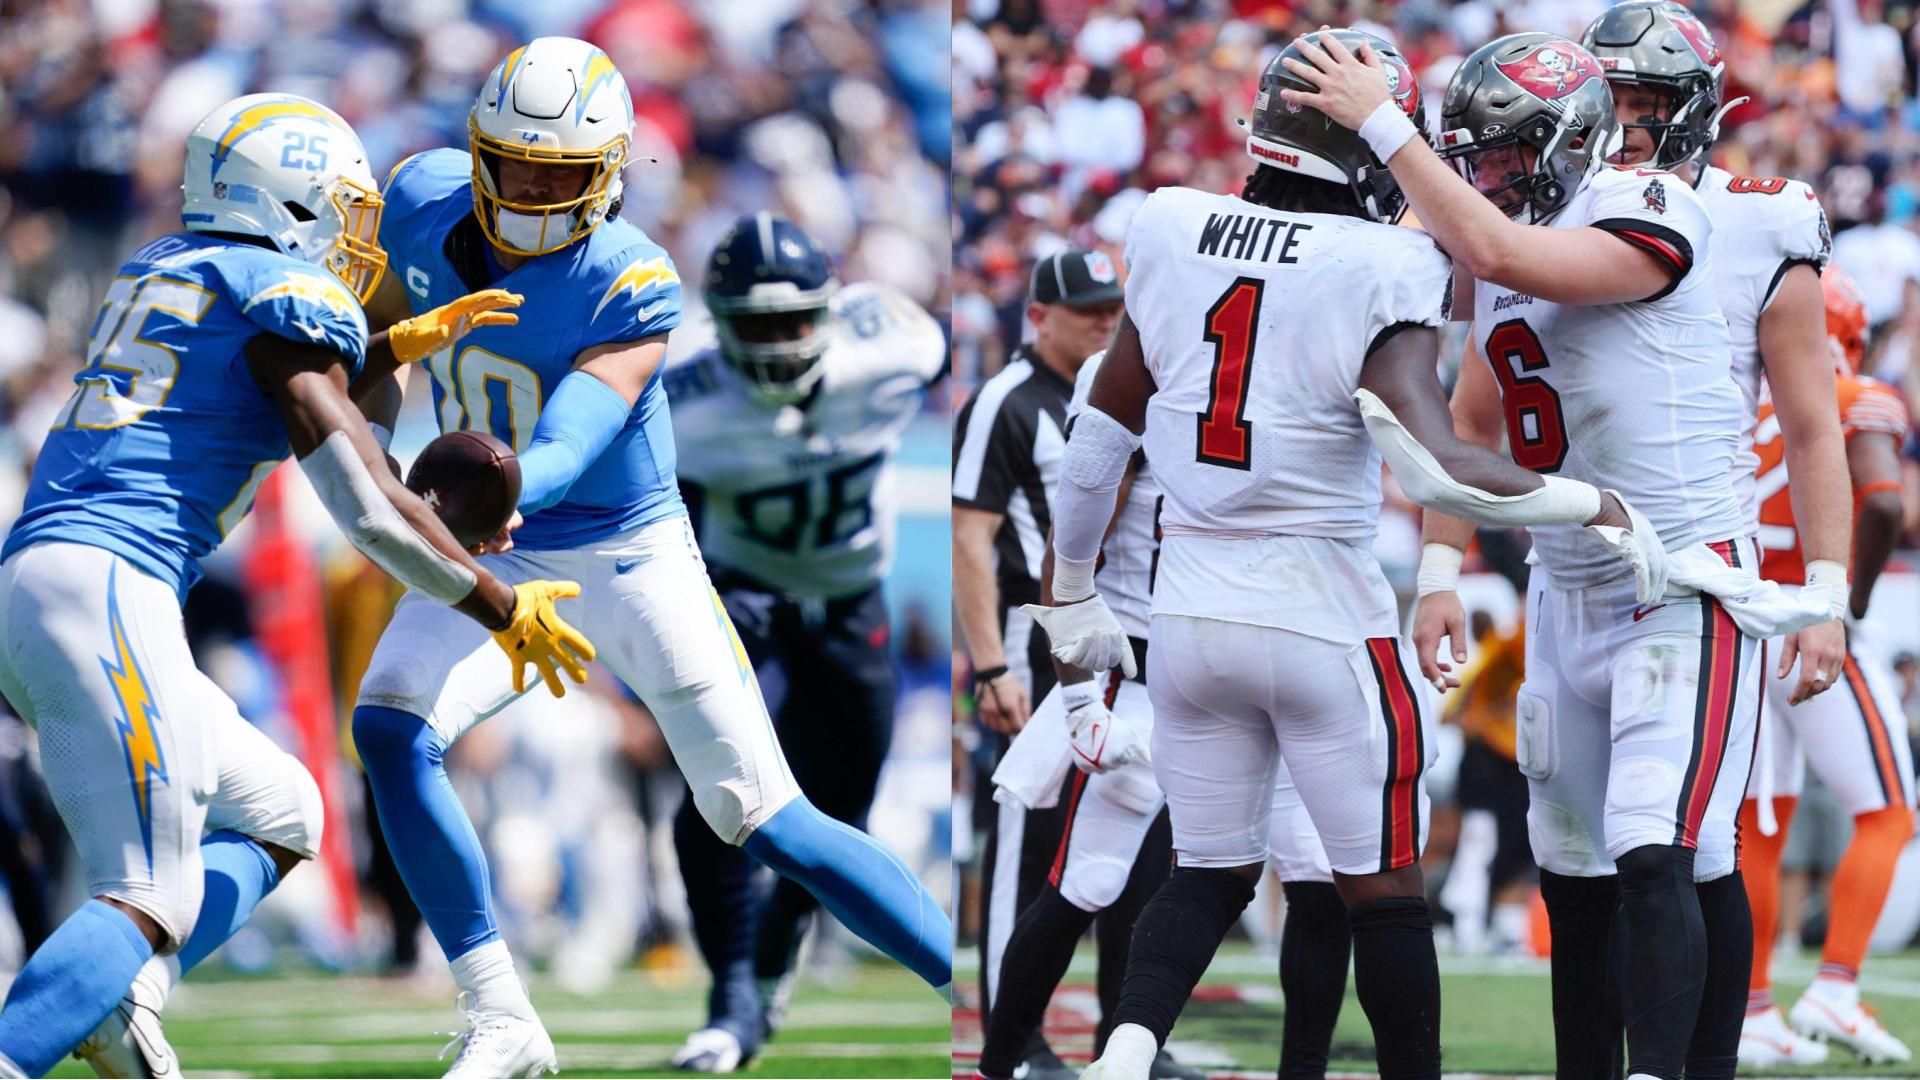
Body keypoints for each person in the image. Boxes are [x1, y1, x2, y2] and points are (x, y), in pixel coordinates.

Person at [1039, 30, 1660, 1080]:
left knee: (1206, 873)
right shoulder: (1388, 259)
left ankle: (1122, 1056)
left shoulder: (1169, 222)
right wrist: (1597, 504)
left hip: (1188, 618)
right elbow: (1439, 469)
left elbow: (1102, 435)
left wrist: (1068, 591)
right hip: (1321, 614)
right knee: (1385, 893)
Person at [341, 38, 950, 1077]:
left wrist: (487, 496)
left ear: (610, 176)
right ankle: (502, 1020)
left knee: (762, 816)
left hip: (627, 552)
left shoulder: (631, 275)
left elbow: (572, 442)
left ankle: (980, 1001)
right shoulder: (418, 203)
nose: (533, 189)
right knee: (391, 729)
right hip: (490, 538)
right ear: (476, 152)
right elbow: (383, 342)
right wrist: (377, 428)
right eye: (516, 164)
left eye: (560, 175)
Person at [1282, 28, 1843, 1080]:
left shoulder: (1649, 209)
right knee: (1572, 875)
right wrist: (1443, 569)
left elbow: (1499, 253)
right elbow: (1472, 421)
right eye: (1475, 158)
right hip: (1567, 588)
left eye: (1502, 153)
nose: (1484, 177)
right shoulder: (1503, 233)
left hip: (1684, 582)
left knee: (1653, 845)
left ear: (1568, 139)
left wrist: (1383, 123)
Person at [0, 93, 593, 1080]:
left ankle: (116, 996)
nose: (356, 240)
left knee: (283, 810)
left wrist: (394, 347)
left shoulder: (171, 266)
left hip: (45, 579)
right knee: (149, 892)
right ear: (291, 204)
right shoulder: (278, 295)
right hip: (111, 579)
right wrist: (499, 605)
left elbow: (274, 387)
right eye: (343, 211)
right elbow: (364, 501)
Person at [1581, 5, 1853, 1072]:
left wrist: (1824, 592)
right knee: (1593, 859)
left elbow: (1812, 421)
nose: (1630, 127)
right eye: (1615, 104)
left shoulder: (1758, 215)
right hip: (1572, 565)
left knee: (1688, 851)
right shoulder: (1560, 200)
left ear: (1693, 107)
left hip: (1696, 564)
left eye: (1649, 105)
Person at [660, 214, 946, 1072]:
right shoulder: (686, 396)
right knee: (717, 799)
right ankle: (732, 995)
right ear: (721, 322)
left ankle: (775, 961)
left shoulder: (895, 346)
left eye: (794, 321)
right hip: (749, 602)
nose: (780, 344)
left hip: (854, 604)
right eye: (757, 325)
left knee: (842, 810)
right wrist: (710, 585)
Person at [974, 346, 1197, 1080]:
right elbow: (1069, 553)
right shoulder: (1133, 376)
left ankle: (1135, 1043)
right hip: (1131, 665)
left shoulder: (1229, 363)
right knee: (1086, 880)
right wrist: (1075, 697)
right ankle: (1004, 1057)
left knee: (1174, 880)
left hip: (1207, 667)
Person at [953, 249, 1144, 1080]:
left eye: (1114, 308)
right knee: (1027, 853)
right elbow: (971, 536)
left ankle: (1124, 1036)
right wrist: (992, 664)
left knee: (1134, 851)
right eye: (1089, 310)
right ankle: (1015, 1038)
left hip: (1119, 649)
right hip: (1039, 653)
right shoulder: (1008, 399)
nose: (1106, 321)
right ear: (1038, 316)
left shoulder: (1127, 387)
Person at [1737, 268, 1915, 1067]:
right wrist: (1854, 600)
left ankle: (1751, 1008)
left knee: (1758, 830)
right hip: (1812, 622)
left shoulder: (1738, 404)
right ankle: (1836, 987)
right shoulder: (1859, 395)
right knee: (1888, 812)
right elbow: (1881, 501)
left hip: (1745, 630)